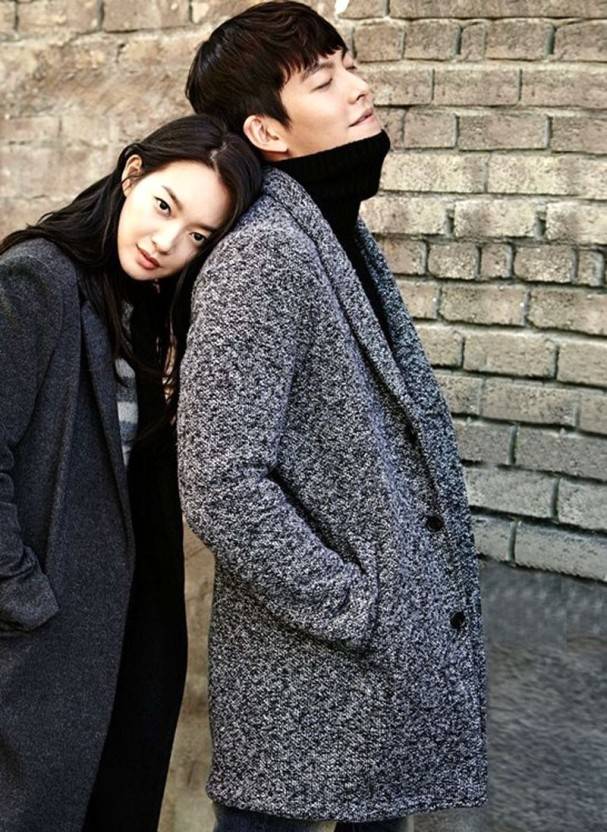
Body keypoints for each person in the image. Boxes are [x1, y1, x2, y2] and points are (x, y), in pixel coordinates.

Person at [178, 2, 488, 831]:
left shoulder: (334, 231)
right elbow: (219, 483)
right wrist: (359, 605)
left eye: (349, 65)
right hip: (313, 668)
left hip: (364, 677)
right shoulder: (264, 254)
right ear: (266, 132)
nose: (357, 88)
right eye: (323, 80)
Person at [0, 114, 261, 832]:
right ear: (132, 174)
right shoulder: (37, 280)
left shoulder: (143, 308)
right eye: (164, 206)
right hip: (45, 637)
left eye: (198, 237)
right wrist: (22, 598)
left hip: (126, 635)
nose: (166, 243)